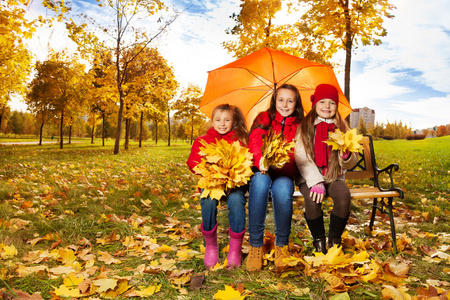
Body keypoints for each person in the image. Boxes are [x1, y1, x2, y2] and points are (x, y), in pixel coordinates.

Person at [246, 83, 304, 271]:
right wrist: (259, 158)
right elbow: (254, 139)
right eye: (281, 100)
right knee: (260, 183)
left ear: (296, 104)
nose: (285, 104)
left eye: (290, 101)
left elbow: (300, 154)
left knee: (282, 189)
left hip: (285, 173)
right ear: (274, 100)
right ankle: (256, 245)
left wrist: (282, 161)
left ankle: (281, 245)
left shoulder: (300, 125)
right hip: (262, 170)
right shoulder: (265, 117)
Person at [294, 84, 357, 254]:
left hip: (333, 177)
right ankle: (319, 241)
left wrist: (346, 157)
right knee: (313, 199)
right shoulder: (305, 126)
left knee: (343, 195)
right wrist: (315, 181)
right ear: (315, 104)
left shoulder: (342, 127)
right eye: (322, 102)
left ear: (337, 106)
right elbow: (301, 156)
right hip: (310, 178)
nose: (327, 107)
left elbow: (353, 159)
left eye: (332, 103)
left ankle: (334, 240)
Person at [186, 104, 248, 269]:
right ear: (212, 121)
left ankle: (235, 248)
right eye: (218, 120)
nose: (222, 123)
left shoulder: (240, 141)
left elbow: (247, 161)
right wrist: (206, 169)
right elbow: (192, 161)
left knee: (236, 201)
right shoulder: (202, 141)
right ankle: (211, 245)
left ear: (234, 122)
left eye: (227, 120)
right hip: (212, 183)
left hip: (234, 184)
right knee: (207, 200)